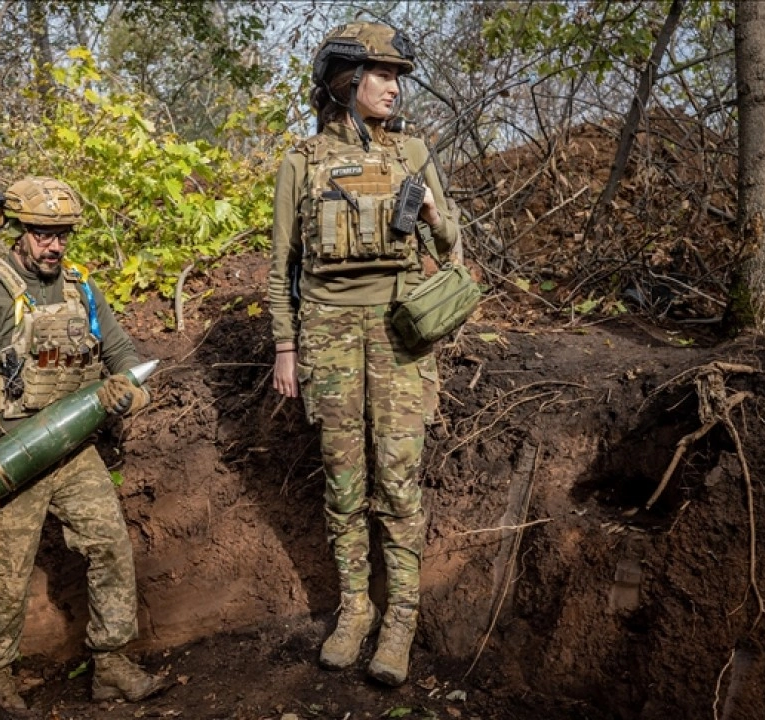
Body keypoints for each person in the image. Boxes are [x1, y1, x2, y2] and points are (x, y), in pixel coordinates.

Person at [267, 22, 460, 686]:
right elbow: (281, 268)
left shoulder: (414, 152)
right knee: (345, 486)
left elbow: (455, 248)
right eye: (382, 75)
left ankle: (400, 618)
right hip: (326, 337)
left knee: (397, 484)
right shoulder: (302, 158)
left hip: (401, 338)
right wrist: (286, 347)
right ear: (346, 83)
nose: (394, 87)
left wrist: (434, 213)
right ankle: (355, 610)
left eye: (399, 76)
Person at [0, 177, 168, 711]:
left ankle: (110, 663)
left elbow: (124, 357)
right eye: (43, 233)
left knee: (111, 546)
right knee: (8, 572)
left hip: (73, 447)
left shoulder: (82, 290)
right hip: (10, 455)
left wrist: (130, 394)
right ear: (19, 230)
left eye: (62, 234)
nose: (55, 245)